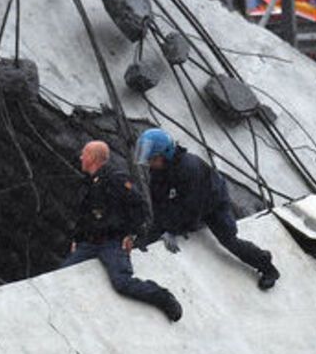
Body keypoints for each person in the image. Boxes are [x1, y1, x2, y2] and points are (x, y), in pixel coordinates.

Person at [135, 128, 281, 290]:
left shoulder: (190, 168)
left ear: (165, 154)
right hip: (184, 199)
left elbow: (192, 209)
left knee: (229, 240)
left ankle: (267, 266)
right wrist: (157, 228)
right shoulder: (158, 170)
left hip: (212, 202)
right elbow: (159, 200)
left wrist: (173, 230)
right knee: (154, 231)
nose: (149, 163)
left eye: (152, 159)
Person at [61, 141, 183, 322]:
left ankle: (162, 297)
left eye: (84, 154)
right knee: (64, 273)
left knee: (122, 282)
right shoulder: (88, 182)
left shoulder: (116, 180)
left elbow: (139, 208)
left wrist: (131, 234)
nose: (81, 158)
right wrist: (77, 239)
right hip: (90, 242)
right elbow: (85, 215)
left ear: (93, 158)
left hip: (111, 243)